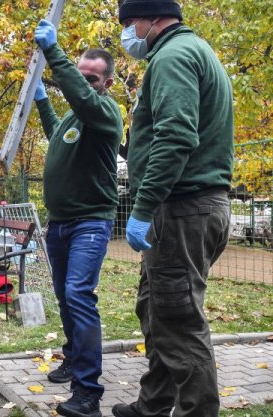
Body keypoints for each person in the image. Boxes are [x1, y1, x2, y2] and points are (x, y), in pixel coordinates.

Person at [114, 1, 234, 416]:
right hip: (193, 206)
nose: (127, 32)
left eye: (130, 23)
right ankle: (153, 405)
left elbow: (177, 135)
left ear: (153, 18)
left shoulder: (172, 56)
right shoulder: (194, 50)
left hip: (183, 207)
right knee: (156, 309)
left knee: (178, 320)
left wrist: (144, 206)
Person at [33, 19, 123, 417]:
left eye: (93, 78)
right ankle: (72, 357)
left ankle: (88, 393)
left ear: (105, 83)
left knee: (78, 295)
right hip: (61, 223)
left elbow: (83, 102)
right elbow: (58, 134)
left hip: (90, 221)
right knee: (64, 297)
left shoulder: (105, 112)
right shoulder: (75, 117)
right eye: (81, 75)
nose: (86, 83)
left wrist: (55, 53)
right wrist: (40, 101)